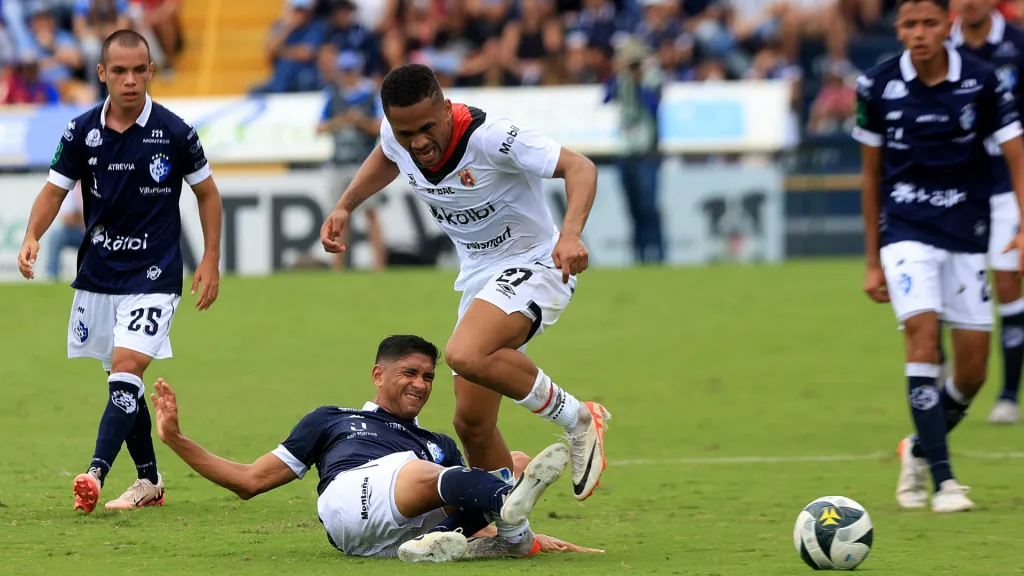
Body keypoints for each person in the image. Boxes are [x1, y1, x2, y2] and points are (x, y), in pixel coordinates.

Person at [319, 63, 611, 556]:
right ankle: (511, 535)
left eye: (426, 128)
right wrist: (346, 204)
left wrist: (571, 233)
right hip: (479, 276)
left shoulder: (492, 136)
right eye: (405, 131)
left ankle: (580, 419)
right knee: (471, 424)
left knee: (465, 353)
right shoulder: (400, 137)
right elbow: (386, 157)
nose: (417, 142)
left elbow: (580, 167)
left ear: (444, 106)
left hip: (536, 262)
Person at [151, 335, 604, 561]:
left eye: (427, 377)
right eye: (409, 373)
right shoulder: (331, 419)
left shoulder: (437, 444)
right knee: (472, 477)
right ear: (378, 375)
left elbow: (469, 507)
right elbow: (249, 482)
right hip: (351, 504)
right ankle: (512, 508)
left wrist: (541, 544)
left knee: (509, 467)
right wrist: (175, 438)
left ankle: (470, 537)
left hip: (400, 538)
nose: (420, 384)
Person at [16, 29, 223, 514]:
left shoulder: (174, 131)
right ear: (102, 73)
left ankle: (94, 473)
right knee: (119, 383)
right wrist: (32, 235)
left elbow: (208, 194)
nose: (131, 81)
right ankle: (149, 481)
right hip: (100, 274)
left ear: (150, 71)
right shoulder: (81, 130)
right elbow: (53, 191)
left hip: (155, 274)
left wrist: (210, 258)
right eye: (120, 71)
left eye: (139, 70)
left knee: (127, 369)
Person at [854, 0, 1024, 513]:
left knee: (971, 372)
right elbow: (869, 175)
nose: (920, 33)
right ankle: (945, 481)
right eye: (910, 24)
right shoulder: (877, 85)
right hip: (905, 231)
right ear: (899, 29)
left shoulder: (984, 80)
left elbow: (1016, 151)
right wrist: (872, 259)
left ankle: (918, 447)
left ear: (948, 25)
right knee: (923, 338)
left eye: (930, 23)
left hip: (967, 231)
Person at [950, 0, 1024, 425]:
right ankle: (941, 365)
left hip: (1006, 184)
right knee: (948, 283)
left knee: (1008, 279)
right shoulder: (940, 47)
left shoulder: (1017, 44)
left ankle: (1009, 394)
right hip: (955, 186)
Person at [316, 49, 386, 272]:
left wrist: (359, 122)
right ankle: (338, 266)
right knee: (339, 216)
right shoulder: (333, 96)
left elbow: (380, 127)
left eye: (349, 71)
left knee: (370, 214)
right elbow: (320, 127)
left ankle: (379, 266)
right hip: (339, 163)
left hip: (362, 164)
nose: (346, 75)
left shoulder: (369, 95)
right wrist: (341, 121)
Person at [603, 37, 666, 264]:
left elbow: (653, 106)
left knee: (649, 206)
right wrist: (619, 74)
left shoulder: (653, 80)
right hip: (625, 150)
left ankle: (658, 255)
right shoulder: (621, 81)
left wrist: (639, 82)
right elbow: (606, 97)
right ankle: (639, 256)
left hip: (647, 152)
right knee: (632, 208)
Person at [45, 182, 86, 281]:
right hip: (79, 232)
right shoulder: (71, 187)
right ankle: (51, 275)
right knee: (57, 233)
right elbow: (68, 217)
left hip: (97, 232)